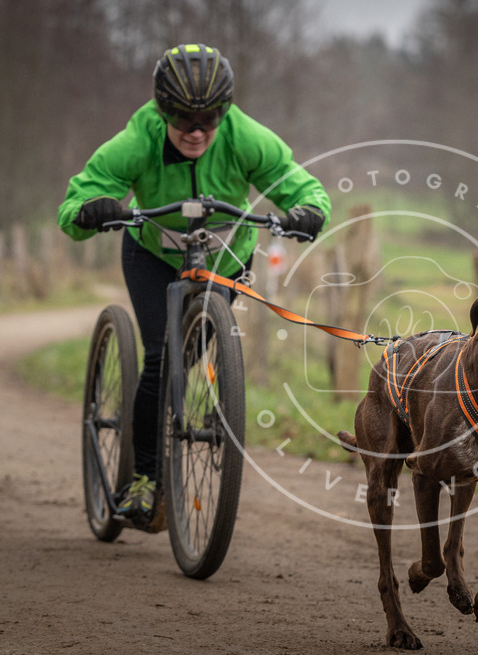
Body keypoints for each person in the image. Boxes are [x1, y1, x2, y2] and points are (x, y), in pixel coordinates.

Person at [58, 43, 330, 521]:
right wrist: (90, 209)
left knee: (191, 354)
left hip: (222, 259)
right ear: (162, 109)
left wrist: (309, 211)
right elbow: (80, 197)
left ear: (225, 111)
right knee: (161, 358)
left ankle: (187, 408)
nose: (198, 131)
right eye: (184, 118)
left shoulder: (245, 137)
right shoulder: (137, 141)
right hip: (152, 254)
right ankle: (145, 479)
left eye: (211, 117)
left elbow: (299, 182)